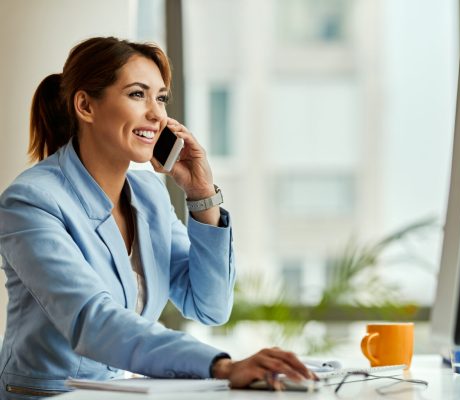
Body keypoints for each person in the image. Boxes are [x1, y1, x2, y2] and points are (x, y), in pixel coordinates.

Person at [0, 37, 312, 398]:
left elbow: (210, 307)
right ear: (85, 105)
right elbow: (91, 321)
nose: (157, 114)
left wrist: (201, 195)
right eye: (137, 95)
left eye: (160, 98)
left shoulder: (148, 195)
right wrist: (221, 366)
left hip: (120, 393)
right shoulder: (30, 201)